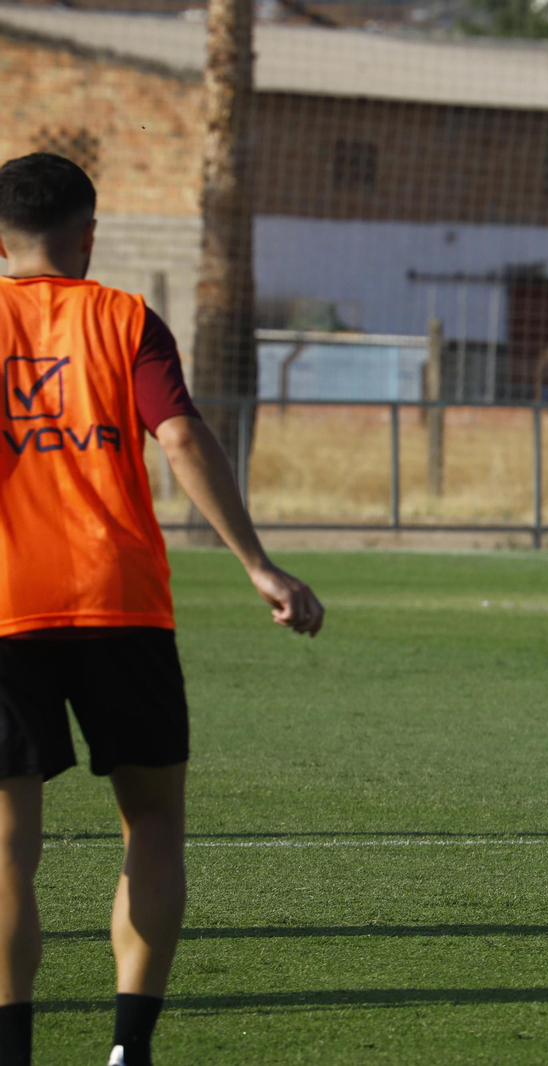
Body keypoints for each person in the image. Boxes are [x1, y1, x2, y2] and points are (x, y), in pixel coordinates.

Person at [0, 154, 324, 1066]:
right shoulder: (126, 317)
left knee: (8, 846)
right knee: (150, 822)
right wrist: (257, 564)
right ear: (89, 234)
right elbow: (178, 435)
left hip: (7, 607)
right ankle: (128, 1049)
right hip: (122, 603)